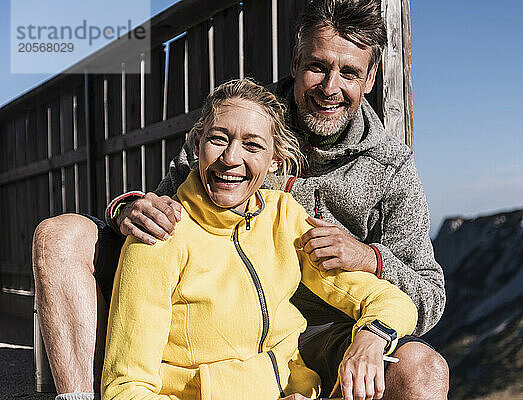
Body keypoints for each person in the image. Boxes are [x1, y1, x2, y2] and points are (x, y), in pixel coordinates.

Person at [32, 1, 449, 399]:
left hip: (330, 337)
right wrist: (128, 209)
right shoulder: (241, 117)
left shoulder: (391, 166)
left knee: (423, 370)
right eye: (317, 67)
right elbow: (174, 208)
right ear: (295, 62)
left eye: (350, 73)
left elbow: (429, 293)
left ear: (371, 78)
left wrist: (369, 262)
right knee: (60, 237)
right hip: (220, 331)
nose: (330, 87)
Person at [101, 78, 417, 400]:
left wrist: (371, 338)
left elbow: (391, 300)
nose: (231, 158)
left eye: (252, 145)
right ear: (196, 147)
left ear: (275, 161)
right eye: (218, 139)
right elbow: (125, 391)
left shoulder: (283, 217)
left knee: (421, 368)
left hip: (298, 392)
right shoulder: (159, 235)